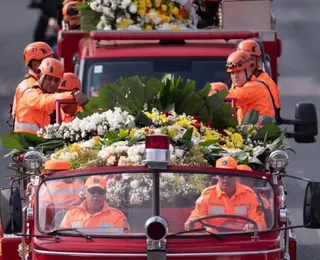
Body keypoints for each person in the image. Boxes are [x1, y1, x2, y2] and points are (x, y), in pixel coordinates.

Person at [184, 156, 266, 232]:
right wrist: (191, 223)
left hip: (241, 238)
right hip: (214, 240)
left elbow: (259, 222)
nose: (225, 179)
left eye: (229, 175)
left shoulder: (249, 194)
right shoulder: (207, 195)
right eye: (222, 175)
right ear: (217, 176)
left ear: (236, 175)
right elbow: (197, 216)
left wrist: (253, 226)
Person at [14, 57, 88, 135]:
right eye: (49, 78)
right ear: (39, 75)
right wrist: (73, 94)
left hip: (38, 143)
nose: (52, 83)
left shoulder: (49, 97)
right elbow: (43, 102)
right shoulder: (30, 93)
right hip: (26, 144)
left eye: (56, 80)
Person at [60, 175, 130, 232]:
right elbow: (63, 239)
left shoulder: (117, 217)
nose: (96, 194)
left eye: (100, 191)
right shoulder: (71, 214)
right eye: (93, 191)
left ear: (105, 194)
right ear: (85, 192)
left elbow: (125, 242)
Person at [8, 42, 54, 128]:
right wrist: (67, 96)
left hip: (38, 138)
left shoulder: (42, 83)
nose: (52, 65)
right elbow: (41, 102)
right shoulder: (28, 85)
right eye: (47, 62)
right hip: (28, 139)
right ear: (35, 64)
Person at [237, 39, 281, 123]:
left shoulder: (256, 83)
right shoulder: (261, 78)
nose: (247, 63)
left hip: (257, 132)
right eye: (243, 60)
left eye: (251, 59)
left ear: (258, 61)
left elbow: (234, 96)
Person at [225, 50, 275, 124]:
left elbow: (234, 95)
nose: (235, 76)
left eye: (238, 71)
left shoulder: (254, 86)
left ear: (248, 71)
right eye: (232, 72)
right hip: (251, 133)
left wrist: (211, 93)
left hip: (261, 133)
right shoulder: (240, 87)